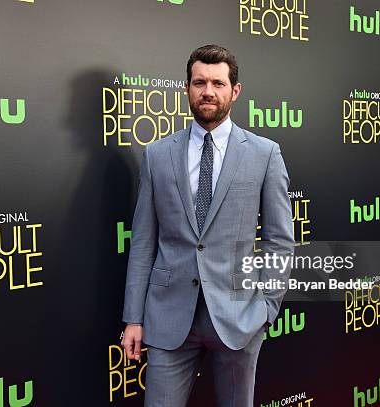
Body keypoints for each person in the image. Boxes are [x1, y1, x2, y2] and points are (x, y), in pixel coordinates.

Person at [121, 44, 294, 407]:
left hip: (239, 316)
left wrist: (266, 308)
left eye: (217, 82)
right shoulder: (157, 155)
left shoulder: (265, 154)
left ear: (235, 90)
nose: (208, 92)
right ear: (187, 88)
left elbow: (279, 240)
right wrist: (133, 318)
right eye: (199, 82)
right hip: (168, 317)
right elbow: (142, 243)